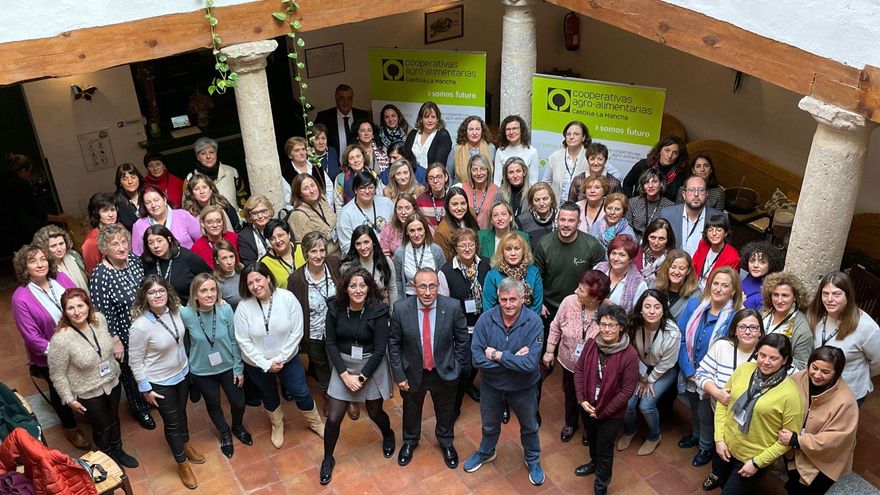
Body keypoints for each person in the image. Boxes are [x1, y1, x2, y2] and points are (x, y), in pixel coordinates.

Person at [464, 277, 546, 486]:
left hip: (524, 388)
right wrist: (514, 359)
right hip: (491, 387)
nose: (508, 305)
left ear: (523, 299)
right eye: (503, 300)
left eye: (513, 299)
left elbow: (530, 364)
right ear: (498, 299)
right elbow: (477, 359)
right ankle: (486, 452)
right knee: (489, 425)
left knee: (529, 426)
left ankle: (533, 459)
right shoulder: (485, 319)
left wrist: (498, 355)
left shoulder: (534, 322)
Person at [234, 262, 324, 449]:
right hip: (257, 364)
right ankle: (277, 424)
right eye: (250, 283)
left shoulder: (287, 298)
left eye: (258, 280)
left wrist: (281, 358)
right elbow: (243, 340)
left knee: (300, 390)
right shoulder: (243, 307)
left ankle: (315, 422)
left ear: (267, 278)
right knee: (268, 393)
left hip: (288, 359)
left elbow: (296, 331)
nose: (255, 286)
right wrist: (265, 363)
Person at [128, 275, 205, 489]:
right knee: (172, 423)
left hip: (182, 374)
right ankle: (182, 463)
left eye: (161, 290)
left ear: (167, 292)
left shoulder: (175, 311)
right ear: (145, 297)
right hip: (160, 382)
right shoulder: (140, 326)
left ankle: (186, 444)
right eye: (152, 292)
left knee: (182, 414)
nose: (158, 295)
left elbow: (196, 310)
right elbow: (134, 361)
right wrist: (145, 388)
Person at [48, 288, 138, 467]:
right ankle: (107, 456)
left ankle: (118, 448)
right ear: (64, 312)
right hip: (89, 390)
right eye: (70, 308)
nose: (77, 312)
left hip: (111, 381)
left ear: (88, 306)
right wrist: (68, 398)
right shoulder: (61, 339)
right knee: (102, 425)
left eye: (80, 306)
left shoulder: (100, 321)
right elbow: (57, 374)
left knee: (114, 418)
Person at [11, 244, 90, 449]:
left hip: (79, 342)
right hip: (51, 355)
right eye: (33, 261)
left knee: (82, 377)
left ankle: (86, 409)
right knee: (59, 390)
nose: (40, 264)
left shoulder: (61, 279)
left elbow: (82, 301)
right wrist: (62, 352)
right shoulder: (21, 298)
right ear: (24, 267)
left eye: (43, 259)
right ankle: (70, 427)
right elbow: (32, 337)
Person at [320, 267, 394, 485]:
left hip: (372, 364)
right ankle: (327, 459)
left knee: (374, 412)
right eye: (353, 285)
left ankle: (388, 434)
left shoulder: (379, 310)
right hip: (343, 365)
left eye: (362, 285)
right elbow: (331, 343)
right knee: (333, 418)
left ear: (369, 287)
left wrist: (361, 378)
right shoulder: (335, 307)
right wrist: (345, 376)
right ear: (345, 287)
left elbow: (381, 349)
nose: (358, 290)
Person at [389, 268, 469, 468]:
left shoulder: (452, 307)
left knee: (445, 410)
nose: (427, 292)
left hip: (444, 371)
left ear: (438, 287)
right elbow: (394, 344)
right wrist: (399, 375)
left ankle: (446, 442)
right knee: (411, 410)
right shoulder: (400, 308)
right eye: (422, 286)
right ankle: (409, 441)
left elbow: (462, 339)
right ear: (414, 287)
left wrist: (456, 366)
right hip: (412, 372)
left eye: (432, 286)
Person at [713, 333, 803, 493]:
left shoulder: (791, 395)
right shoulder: (744, 370)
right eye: (762, 355)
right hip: (726, 446)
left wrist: (756, 463)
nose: (766, 362)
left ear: (785, 359)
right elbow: (723, 402)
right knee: (721, 481)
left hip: (751, 457)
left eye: (773, 358)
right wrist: (719, 439)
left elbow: (786, 440)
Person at [88, 224, 155, 430]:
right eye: (114, 244)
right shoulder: (100, 275)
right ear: (104, 248)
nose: (121, 247)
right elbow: (101, 314)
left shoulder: (135, 261)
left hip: (148, 324)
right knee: (130, 372)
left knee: (149, 364)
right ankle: (139, 408)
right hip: (125, 334)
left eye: (124, 241)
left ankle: (152, 396)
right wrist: (115, 340)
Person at [677, 266, 742, 467]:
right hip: (689, 372)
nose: (719, 289)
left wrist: (703, 378)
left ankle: (705, 447)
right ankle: (696, 435)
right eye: (716, 283)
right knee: (693, 407)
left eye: (725, 285)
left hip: (713, 378)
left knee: (706, 415)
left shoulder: (735, 316)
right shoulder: (695, 304)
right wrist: (688, 371)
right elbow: (678, 338)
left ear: (733, 290)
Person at [180, 274, 251, 458]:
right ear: (195, 294)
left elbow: (235, 339)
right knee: (213, 404)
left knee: (238, 401)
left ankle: (237, 426)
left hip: (228, 366)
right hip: (202, 371)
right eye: (203, 290)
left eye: (213, 289)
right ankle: (225, 433)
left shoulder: (225, 308)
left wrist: (238, 367)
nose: (209, 294)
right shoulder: (186, 314)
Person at [695, 308, 764, 491]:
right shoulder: (722, 346)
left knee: (738, 455)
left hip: (747, 422)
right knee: (719, 448)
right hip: (719, 411)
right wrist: (716, 392)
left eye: (753, 328)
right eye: (742, 327)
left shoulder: (765, 355)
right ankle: (716, 474)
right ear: (734, 329)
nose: (747, 331)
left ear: (761, 332)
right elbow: (702, 374)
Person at [573, 304, 639, 495]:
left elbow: (627, 391)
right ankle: (593, 463)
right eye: (603, 324)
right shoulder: (592, 344)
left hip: (610, 413)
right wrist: (581, 399)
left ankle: (601, 484)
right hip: (587, 406)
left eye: (612, 325)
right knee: (592, 440)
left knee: (605, 448)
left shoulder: (629, 355)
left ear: (621, 327)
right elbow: (579, 370)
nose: (607, 329)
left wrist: (602, 411)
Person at [781, 346, 859, 495]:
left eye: (825, 372)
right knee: (793, 484)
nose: (817, 375)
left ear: (837, 373)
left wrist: (799, 440)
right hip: (792, 450)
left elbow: (837, 438)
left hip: (821, 461)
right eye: (814, 367)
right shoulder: (799, 378)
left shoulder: (846, 401)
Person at [544, 270, 610, 445]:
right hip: (568, 363)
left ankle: (589, 429)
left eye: (581, 290)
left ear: (595, 298)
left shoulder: (609, 310)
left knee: (591, 398)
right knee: (571, 395)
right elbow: (556, 326)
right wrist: (550, 350)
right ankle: (570, 423)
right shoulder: (568, 302)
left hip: (594, 369)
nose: (576, 292)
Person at [618, 290, 682, 456]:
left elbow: (667, 363)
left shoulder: (672, 332)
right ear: (641, 309)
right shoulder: (633, 324)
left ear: (663, 310)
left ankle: (654, 436)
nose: (652, 311)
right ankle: (630, 430)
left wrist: (650, 379)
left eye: (656, 307)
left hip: (664, 370)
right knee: (627, 402)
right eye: (647, 306)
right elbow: (630, 351)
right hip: (639, 367)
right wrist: (640, 376)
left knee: (646, 405)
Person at [806, 271, 880, 405]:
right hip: (818, 386)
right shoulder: (816, 313)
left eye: (836, 294)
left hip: (849, 392)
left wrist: (853, 371)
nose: (829, 299)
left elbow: (877, 362)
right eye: (825, 293)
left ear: (848, 296)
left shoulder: (867, 328)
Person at [438, 228, 491, 412]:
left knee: (477, 361)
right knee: (465, 366)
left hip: (483, 325)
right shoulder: (446, 271)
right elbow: (444, 305)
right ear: (455, 248)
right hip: (461, 328)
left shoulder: (486, 264)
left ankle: (468, 384)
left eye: (471, 244)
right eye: (462, 245)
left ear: (476, 245)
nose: (467, 248)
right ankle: (458, 399)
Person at [288, 232, 341, 410]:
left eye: (321, 250)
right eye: (313, 251)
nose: (318, 255)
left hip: (337, 328)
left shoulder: (334, 265)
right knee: (321, 365)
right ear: (305, 253)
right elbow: (294, 312)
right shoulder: (296, 279)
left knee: (338, 362)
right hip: (313, 333)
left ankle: (345, 397)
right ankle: (329, 395)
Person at [536, 202, 606, 322]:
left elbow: (599, 280)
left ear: (578, 223)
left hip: (581, 307)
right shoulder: (544, 243)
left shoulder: (592, 245)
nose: (566, 224)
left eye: (571, 220)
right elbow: (536, 277)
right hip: (549, 309)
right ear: (557, 221)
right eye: (562, 220)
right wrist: (539, 304)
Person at [1, 154, 69, 251]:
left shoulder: (5, 178)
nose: (29, 175)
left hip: (5, 226)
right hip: (15, 226)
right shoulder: (20, 186)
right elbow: (33, 212)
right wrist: (58, 218)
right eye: (29, 171)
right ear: (23, 170)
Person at [141, 224, 211, 305]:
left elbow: (209, 277)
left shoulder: (187, 257)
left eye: (159, 241)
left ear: (169, 239)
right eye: (151, 243)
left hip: (188, 309)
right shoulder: (146, 260)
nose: (156, 246)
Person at [660, 175, 724, 256]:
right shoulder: (667, 214)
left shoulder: (719, 217)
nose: (696, 194)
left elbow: (723, 252)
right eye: (691, 190)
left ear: (707, 194)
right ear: (684, 194)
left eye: (701, 190)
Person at [762, 272, 813, 370]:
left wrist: (777, 358)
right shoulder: (764, 312)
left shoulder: (802, 329)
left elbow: (802, 365)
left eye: (785, 295)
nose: (779, 300)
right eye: (776, 295)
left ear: (794, 297)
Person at [132, 185, 202, 255]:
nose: (153, 205)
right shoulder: (139, 225)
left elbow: (202, 241)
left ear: (164, 200)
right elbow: (138, 255)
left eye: (156, 200)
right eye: (148, 203)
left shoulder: (183, 215)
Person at [483, 232, 543, 314]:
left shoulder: (533, 272)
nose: (513, 253)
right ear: (502, 252)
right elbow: (488, 309)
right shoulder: (493, 275)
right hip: (499, 324)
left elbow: (537, 306)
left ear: (523, 251)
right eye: (508, 249)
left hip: (529, 323)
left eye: (517, 248)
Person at [342, 225, 399, 310]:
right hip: (358, 313)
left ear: (373, 242)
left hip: (381, 311)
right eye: (358, 244)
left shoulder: (385, 262)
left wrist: (392, 313)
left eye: (366, 242)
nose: (363, 247)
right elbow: (344, 295)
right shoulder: (348, 266)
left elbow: (393, 289)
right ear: (354, 246)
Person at [336, 171, 394, 253]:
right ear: (355, 190)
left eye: (370, 187)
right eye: (362, 188)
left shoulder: (387, 203)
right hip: (361, 259)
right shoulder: (346, 213)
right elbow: (346, 247)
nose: (367, 191)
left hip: (389, 254)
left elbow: (397, 230)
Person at [286, 173, 339, 257]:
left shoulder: (321, 199)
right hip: (322, 259)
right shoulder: (298, 216)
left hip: (339, 252)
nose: (312, 190)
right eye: (306, 189)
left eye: (313, 185)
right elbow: (304, 249)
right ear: (300, 193)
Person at [393, 215, 446, 300]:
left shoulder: (436, 251)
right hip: (409, 297)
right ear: (407, 232)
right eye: (412, 231)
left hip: (433, 297)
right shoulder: (400, 253)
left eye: (420, 229)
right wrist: (400, 302)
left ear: (425, 230)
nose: (417, 234)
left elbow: (443, 279)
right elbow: (398, 281)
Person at [623, 135, 689, 201]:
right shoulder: (643, 165)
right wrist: (630, 202)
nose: (670, 156)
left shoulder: (682, 172)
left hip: (667, 209)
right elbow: (627, 183)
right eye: (667, 150)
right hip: (640, 208)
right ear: (660, 150)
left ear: (679, 156)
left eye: (675, 153)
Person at [594, 234, 648, 313]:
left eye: (622, 255)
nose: (616, 258)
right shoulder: (598, 270)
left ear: (631, 259)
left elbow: (637, 316)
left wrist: (615, 309)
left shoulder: (639, 284)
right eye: (613, 253)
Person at [543, 120, 590, 205]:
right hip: (557, 207)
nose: (571, 137)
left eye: (576, 134)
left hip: (581, 208)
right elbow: (546, 182)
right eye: (568, 134)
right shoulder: (555, 156)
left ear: (583, 137)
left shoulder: (590, 156)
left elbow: (611, 175)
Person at [188, 137, 242, 209]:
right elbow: (187, 203)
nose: (208, 156)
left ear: (216, 153)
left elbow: (241, 193)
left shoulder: (231, 172)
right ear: (198, 157)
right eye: (203, 153)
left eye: (211, 152)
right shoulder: (190, 178)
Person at [314, 83, 371, 152]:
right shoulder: (323, 117)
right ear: (336, 99)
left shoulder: (362, 115)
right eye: (342, 99)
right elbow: (315, 139)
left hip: (358, 160)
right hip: (334, 160)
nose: (346, 102)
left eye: (349, 98)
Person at [33, 225, 89, 293]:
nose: (59, 249)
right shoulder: (45, 269)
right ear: (43, 248)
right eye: (53, 246)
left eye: (61, 243)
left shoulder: (74, 255)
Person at [692, 214, 741, 289]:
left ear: (725, 233)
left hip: (714, 292)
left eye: (718, 230)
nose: (714, 233)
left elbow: (728, 285)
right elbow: (694, 264)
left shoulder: (733, 258)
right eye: (710, 230)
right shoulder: (703, 243)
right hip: (695, 285)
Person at [279, 136, 332, 204]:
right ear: (290, 155)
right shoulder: (286, 173)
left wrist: (327, 205)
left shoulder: (316, 166)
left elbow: (328, 187)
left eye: (303, 149)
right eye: (297, 150)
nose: (302, 153)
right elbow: (288, 200)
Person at [403, 101, 453, 173]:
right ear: (420, 119)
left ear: (437, 119)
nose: (430, 120)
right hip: (410, 178)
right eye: (426, 117)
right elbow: (405, 158)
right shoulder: (413, 134)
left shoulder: (443, 135)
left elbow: (439, 165)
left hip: (432, 178)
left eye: (433, 117)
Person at [433, 186, 481, 260]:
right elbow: (444, 261)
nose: (459, 208)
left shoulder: (471, 214)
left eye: (463, 203)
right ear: (447, 206)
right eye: (454, 204)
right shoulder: (441, 232)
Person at [625, 168, 674, 240]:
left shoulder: (670, 206)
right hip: (634, 242)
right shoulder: (633, 203)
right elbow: (626, 227)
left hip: (658, 243)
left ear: (661, 184)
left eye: (654, 181)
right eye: (647, 182)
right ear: (643, 185)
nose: (650, 185)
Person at [258, 218, 305, 290]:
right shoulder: (264, 262)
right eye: (272, 238)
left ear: (288, 234)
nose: (277, 241)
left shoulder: (303, 248)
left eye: (280, 235)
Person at [652, 249, 700, 319]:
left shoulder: (695, 296)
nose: (676, 272)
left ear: (688, 271)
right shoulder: (654, 287)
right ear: (667, 268)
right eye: (673, 267)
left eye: (682, 268)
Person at [333, 145, 382, 213]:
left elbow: (379, 200)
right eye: (351, 158)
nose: (356, 160)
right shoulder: (340, 179)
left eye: (358, 156)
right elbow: (339, 206)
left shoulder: (373, 176)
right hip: (349, 216)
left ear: (364, 158)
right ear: (348, 163)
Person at [493, 115, 541, 185]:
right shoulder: (500, 151)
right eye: (508, 129)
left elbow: (533, 182)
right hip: (505, 193)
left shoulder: (532, 152)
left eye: (515, 128)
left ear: (521, 130)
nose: (511, 132)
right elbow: (497, 181)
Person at [447, 116, 495, 184]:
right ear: (465, 131)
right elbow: (449, 174)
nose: (474, 133)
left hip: (485, 191)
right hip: (461, 192)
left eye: (477, 129)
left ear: (482, 131)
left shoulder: (490, 148)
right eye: (471, 129)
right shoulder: (456, 149)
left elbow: (494, 176)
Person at [740, 241, 784, 311]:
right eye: (752, 260)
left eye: (762, 262)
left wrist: (740, 306)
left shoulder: (769, 290)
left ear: (770, 265)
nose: (755, 265)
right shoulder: (748, 277)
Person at [82, 192, 119, 274]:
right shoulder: (90, 243)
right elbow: (94, 273)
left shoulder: (120, 228)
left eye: (112, 210)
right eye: (105, 211)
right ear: (96, 214)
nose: (111, 215)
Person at [459, 154, 499, 229]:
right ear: (470, 171)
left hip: (487, 236)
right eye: (474, 169)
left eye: (482, 169)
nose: (479, 173)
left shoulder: (496, 190)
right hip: (465, 235)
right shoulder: (461, 188)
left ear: (488, 170)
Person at [634, 218, 676, 286]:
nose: (656, 243)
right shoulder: (636, 253)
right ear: (647, 237)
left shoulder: (673, 259)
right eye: (653, 237)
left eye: (661, 239)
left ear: (668, 240)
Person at [517, 182, 558, 251]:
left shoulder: (560, 217)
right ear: (531, 202)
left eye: (545, 199)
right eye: (537, 200)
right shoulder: (523, 220)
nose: (541, 203)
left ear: (552, 199)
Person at [238, 195, 275, 266]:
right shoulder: (244, 237)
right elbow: (250, 265)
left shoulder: (281, 227)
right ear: (249, 216)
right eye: (255, 213)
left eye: (263, 211)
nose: (260, 216)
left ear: (269, 211)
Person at [416, 162, 450, 226]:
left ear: (446, 177)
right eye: (431, 178)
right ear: (427, 181)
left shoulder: (452, 197)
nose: (435, 181)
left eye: (439, 177)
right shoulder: (420, 200)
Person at [113, 162, 144, 232]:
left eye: (133, 177)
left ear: (138, 178)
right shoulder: (116, 202)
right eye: (125, 179)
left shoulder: (149, 195)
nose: (130, 181)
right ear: (120, 182)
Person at [213, 240, 242, 309]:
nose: (229, 262)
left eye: (231, 256)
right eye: (224, 258)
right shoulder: (216, 283)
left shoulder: (241, 268)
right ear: (217, 261)